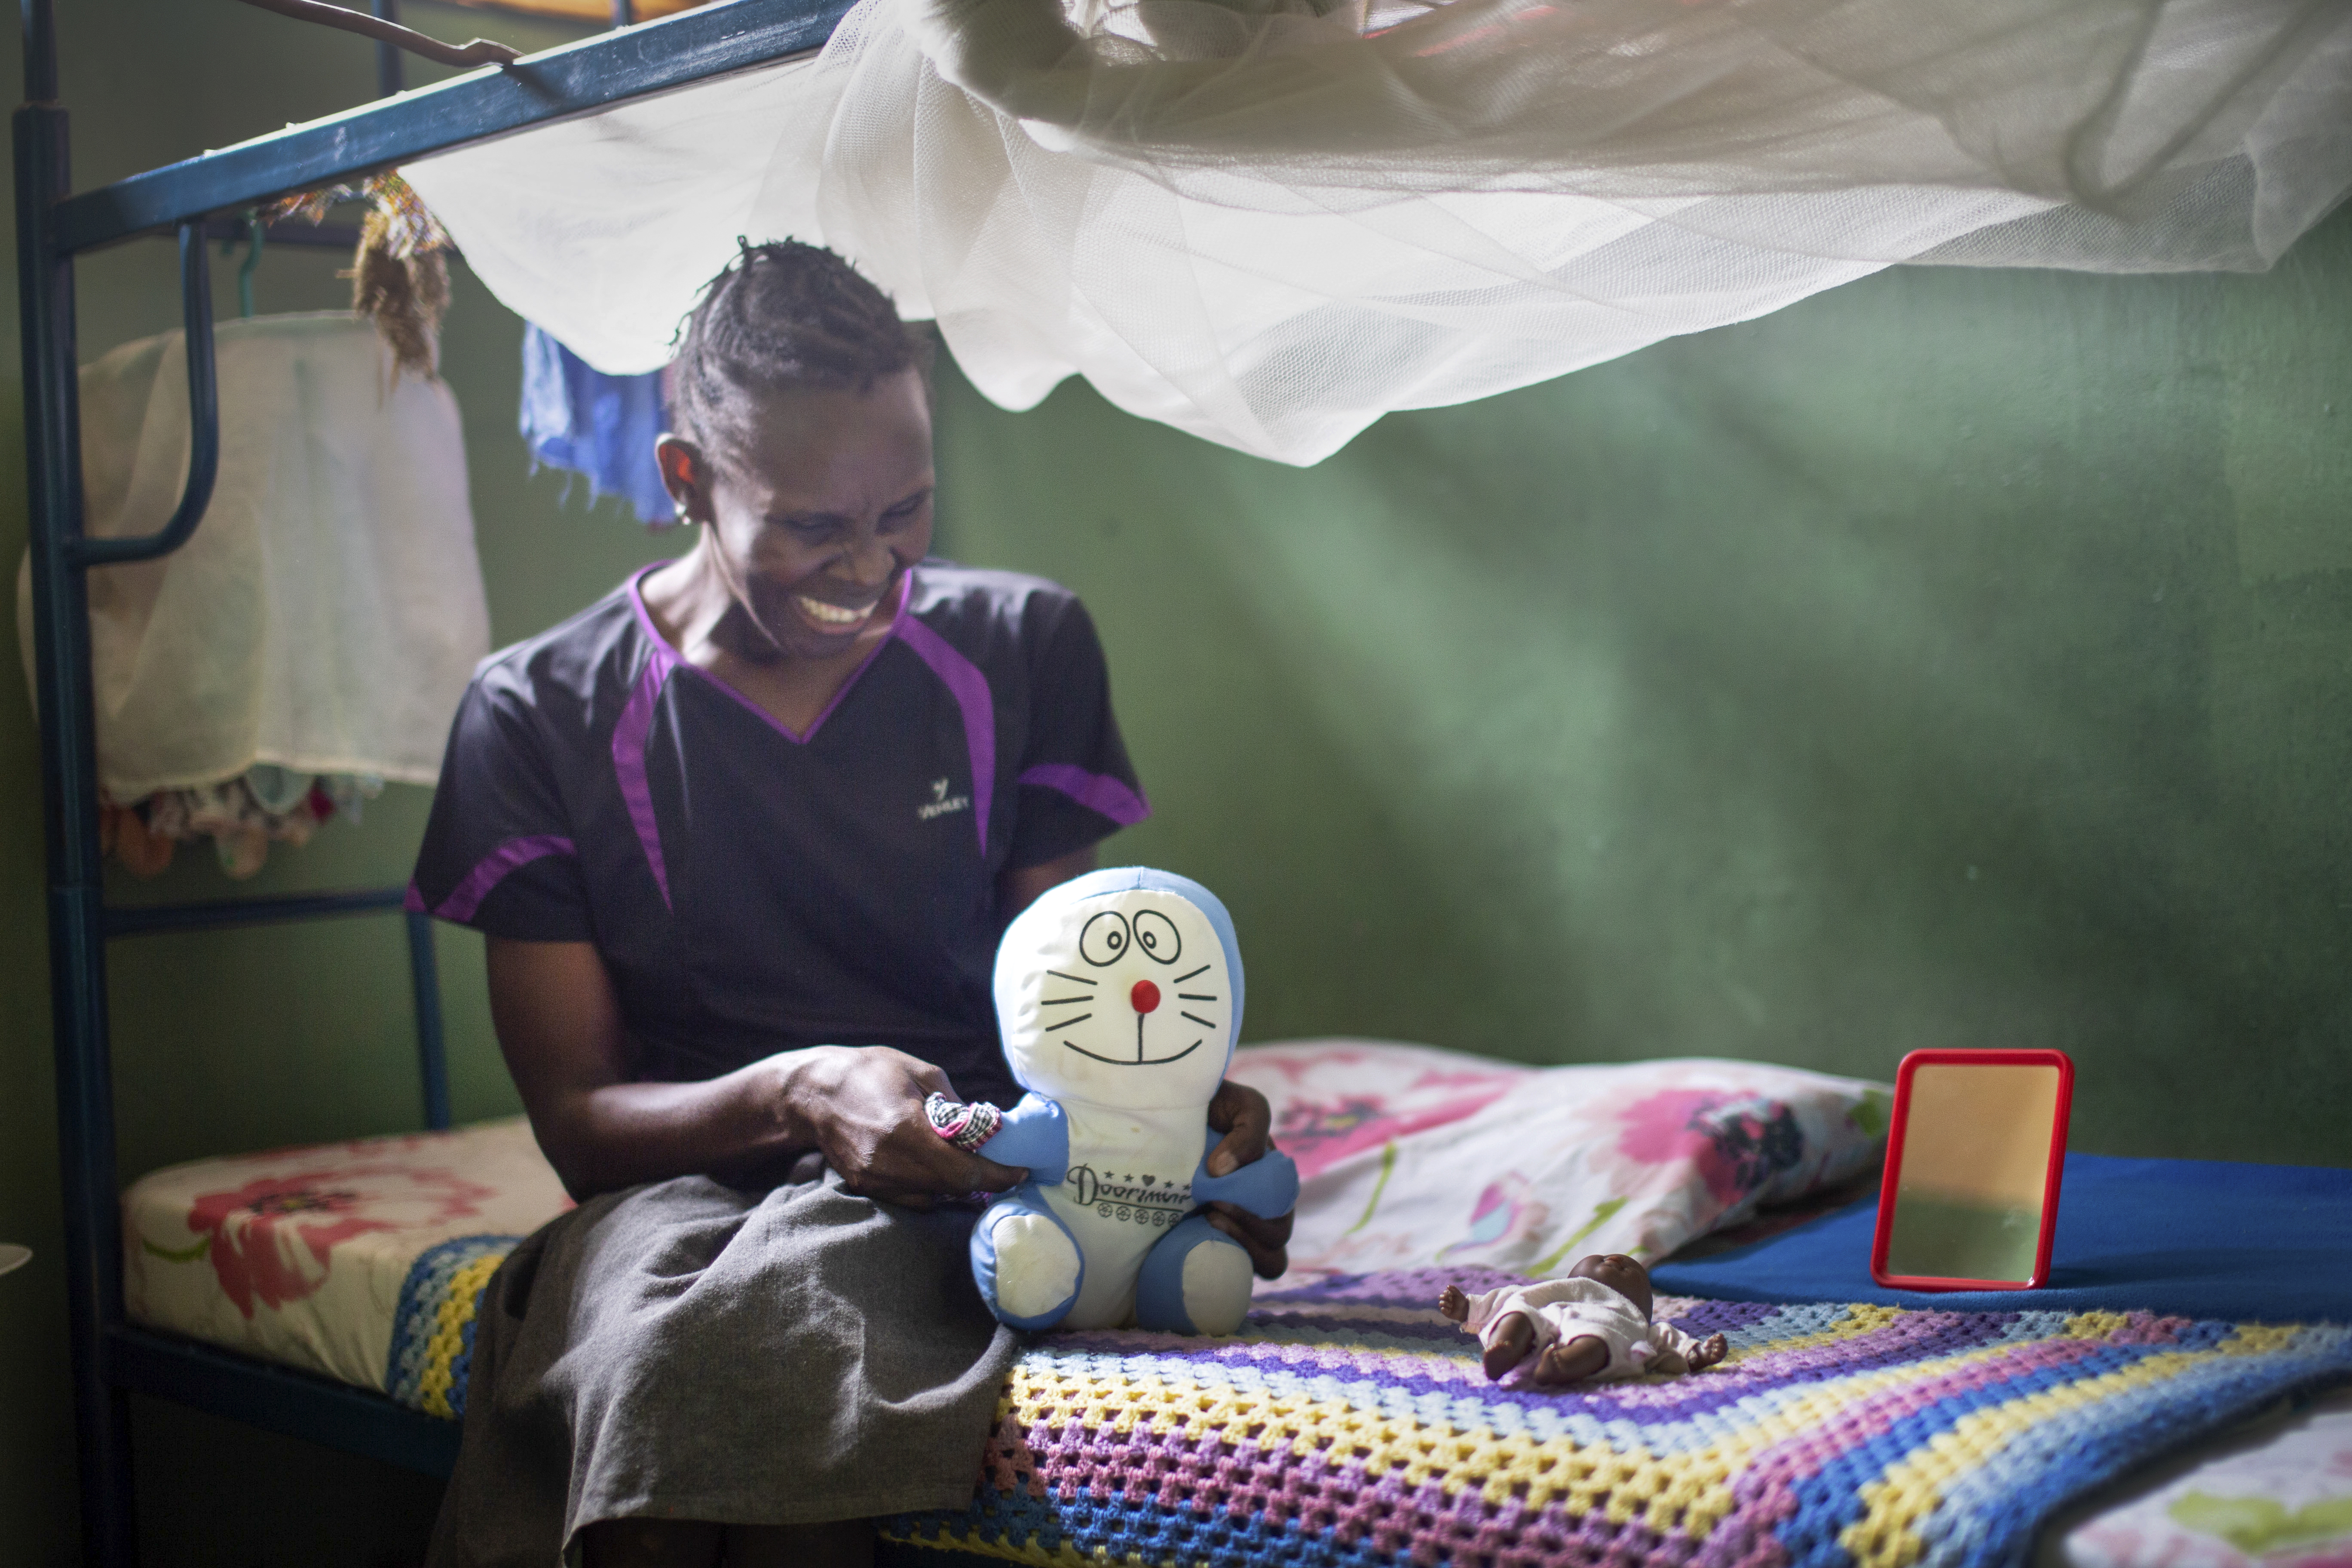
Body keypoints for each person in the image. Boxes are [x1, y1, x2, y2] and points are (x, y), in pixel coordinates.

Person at [408, 240, 1294, 1568]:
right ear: (688, 480)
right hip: (682, 1177)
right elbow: (582, 1132)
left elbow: (1088, 988)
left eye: (907, 513)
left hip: (987, 1177)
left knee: (783, 1363)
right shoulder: (539, 715)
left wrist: (1160, 1100)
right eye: (816, 525)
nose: (871, 568)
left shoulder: (1021, 648)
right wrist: (795, 1094)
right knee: (681, 1339)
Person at [1438, 1255, 1728, 1385]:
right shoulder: (1552, 1292)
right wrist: (1467, 1308)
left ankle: (1566, 1363)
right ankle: (1507, 1345)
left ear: (1643, 1309)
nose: (1617, 1260)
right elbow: (1504, 1298)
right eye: (1600, 1257)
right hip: (1539, 1323)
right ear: (1573, 1277)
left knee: (1598, 1339)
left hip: (1600, 1331)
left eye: (1636, 1273)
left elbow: (1668, 1340)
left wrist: (1696, 1354)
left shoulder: (1630, 1320)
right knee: (1518, 1311)